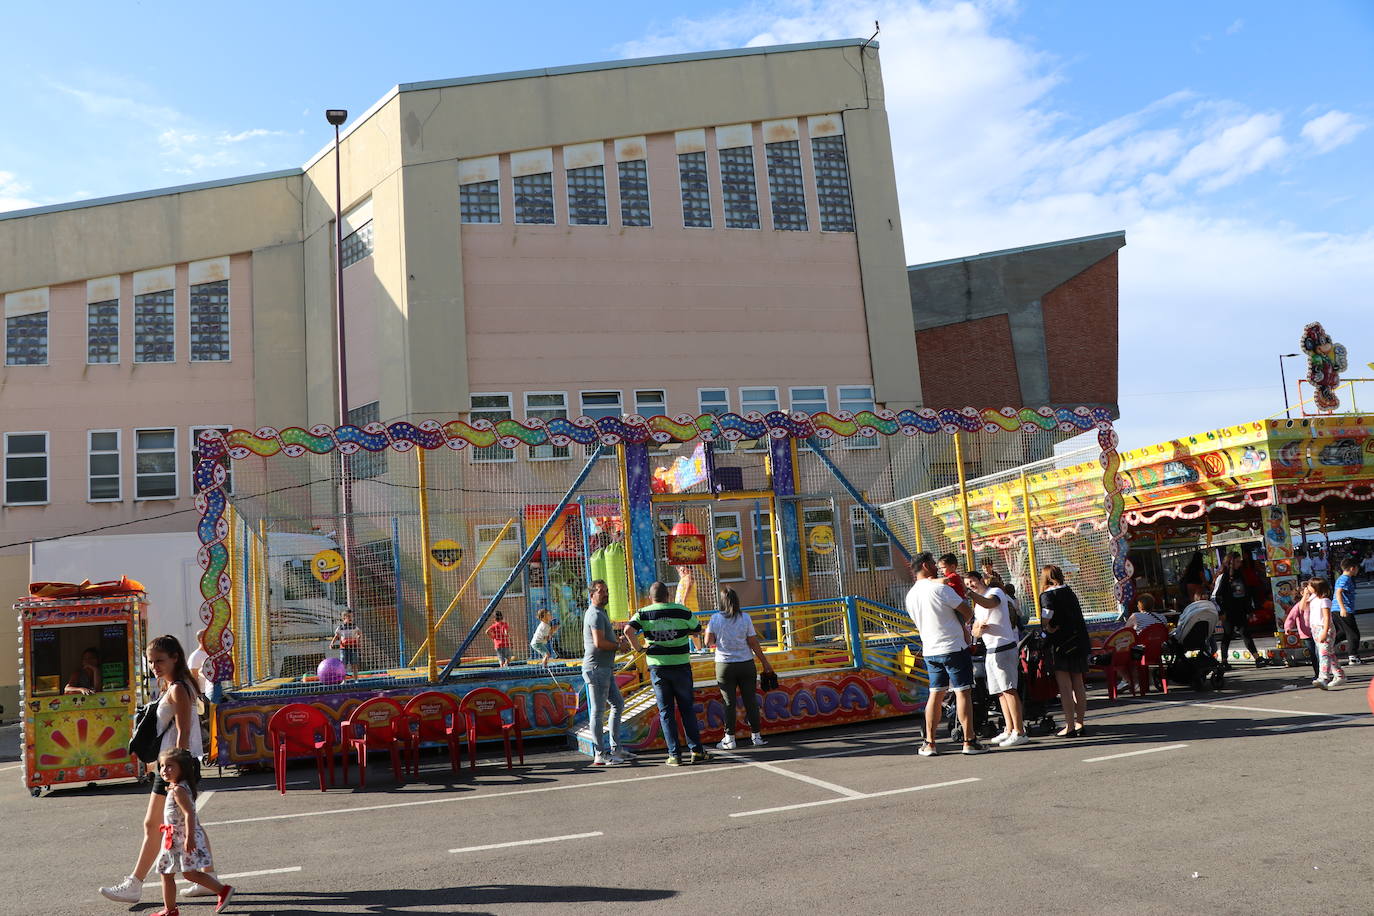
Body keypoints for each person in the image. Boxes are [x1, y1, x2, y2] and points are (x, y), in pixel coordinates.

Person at [101, 635, 216, 905]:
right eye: (151, 662)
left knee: (153, 824)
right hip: (175, 765)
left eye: (160, 661)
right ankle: (211, 877)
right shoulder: (174, 685)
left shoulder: (177, 687)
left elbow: (185, 731)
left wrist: (173, 769)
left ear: (175, 657)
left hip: (176, 766)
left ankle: (134, 884)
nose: (155, 666)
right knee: (185, 823)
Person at [906, 552, 986, 756]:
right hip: (953, 647)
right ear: (925, 565)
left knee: (935, 693)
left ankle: (929, 743)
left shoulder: (911, 595)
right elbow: (967, 612)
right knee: (963, 692)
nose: (936, 566)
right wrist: (963, 625)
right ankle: (969, 740)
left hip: (930, 649)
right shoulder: (940, 588)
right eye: (933, 563)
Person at [623, 581, 708, 766]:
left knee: (666, 712)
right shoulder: (682, 610)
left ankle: (674, 755)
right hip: (681, 667)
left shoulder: (643, 613)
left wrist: (639, 648)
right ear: (668, 595)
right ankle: (696, 751)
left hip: (658, 668)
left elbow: (627, 630)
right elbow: (697, 629)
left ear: (650, 597)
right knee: (687, 709)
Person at [151, 747, 234, 915]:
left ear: (182, 768)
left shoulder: (178, 790)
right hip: (173, 839)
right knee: (169, 874)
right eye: (161, 766)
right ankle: (170, 909)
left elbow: (189, 814)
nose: (164, 770)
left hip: (180, 839)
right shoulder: (177, 787)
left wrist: (189, 838)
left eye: (169, 766)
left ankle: (222, 890)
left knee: (186, 874)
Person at [964, 571, 1027, 748]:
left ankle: (1020, 731)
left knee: (1009, 690)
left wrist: (969, 594)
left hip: (1004, 647)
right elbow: (975, 630)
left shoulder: (995, 592)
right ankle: (1009, 728)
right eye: (967, 584)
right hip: (990, 650)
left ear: (980, 580)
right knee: (999, 692)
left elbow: (990, 603)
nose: (971, 585)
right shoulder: (977, 605)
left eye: (972, 582)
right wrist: (978, 629)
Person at [707, 587, 775, 750]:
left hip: (724, 665)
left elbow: (708, 642)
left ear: (721, 602)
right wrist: (765, 663)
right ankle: (756, 736)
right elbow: (753, 642)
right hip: (746, 663)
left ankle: (729, 739)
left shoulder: (715, 618)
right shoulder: (745, 618)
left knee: (728, 703)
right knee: (750, 700)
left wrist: (710, 632)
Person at [582, 579, 635, 766]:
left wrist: (617, 641)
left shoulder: (601, 612)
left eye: (606, 590)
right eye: (601, 591)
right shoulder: (595, 614)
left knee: (618, 704)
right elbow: (599, 643)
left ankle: (615, 748)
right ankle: (600, 753)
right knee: (597, 712)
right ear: (592, 595)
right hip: (596, 669)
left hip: (604, 669)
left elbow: (605, 639)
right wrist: (618, 646)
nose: (605, 594)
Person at [1040, 564, 1090, 737]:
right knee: (1079, 684)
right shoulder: (1069, 591)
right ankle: (1080, 723)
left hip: (1061, 644)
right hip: (1079, 641)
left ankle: (1069, 725)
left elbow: (1047, 614)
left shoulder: (1048, 594)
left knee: (1065, 687)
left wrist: (1045, 626)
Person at [1211, 552, 1268, 669]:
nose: (1240, 563)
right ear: (1231, 562)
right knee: (1227, 635)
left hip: (1240, 610)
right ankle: (1224, 661)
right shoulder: (1223, 576)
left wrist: (1249, 610)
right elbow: (1216, 596)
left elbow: (1245, 593)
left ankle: (1257, 658)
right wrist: (1221, 611)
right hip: (1228, 611)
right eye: (1237, 561)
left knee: (1245, 633)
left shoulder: (1240, 575)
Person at [1308, 578, 1347, 689]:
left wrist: (1325, 632)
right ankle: (1340, 675)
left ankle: (1323, 678)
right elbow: (1302, 607)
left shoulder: (1324, 600)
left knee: (1323, 654)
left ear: (1316, 588)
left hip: (1325, 628)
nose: (1307, 587)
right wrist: (1306, 595)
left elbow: (1327, 617)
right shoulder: (1312, 598)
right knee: (1329, 653)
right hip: (1315, 629)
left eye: (1310, 585)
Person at [1283, 584, 1319, 680]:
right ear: (1302, 593)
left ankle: (1323, 672)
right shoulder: (1299, 605)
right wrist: (1288, 627)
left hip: (1318, 631)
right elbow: (1291, 617)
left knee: (1320, 653)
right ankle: (1318, 673)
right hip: (1307, 633)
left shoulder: (1316, 602)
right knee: (1313, 654)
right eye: (1308, 592)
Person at [1332, 559, 1362, 666]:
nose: (1358, 570)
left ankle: (1327, 647)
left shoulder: (1343, 578)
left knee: (1343, 633)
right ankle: (1353, 657)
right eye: (1357, 568)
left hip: (1337, 609)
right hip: (1343, 610)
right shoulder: (1345, 579)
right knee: (1354, 634)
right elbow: (1339, 592)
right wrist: (1343, 608)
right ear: (1352, 568)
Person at [329, 611, 362, 679]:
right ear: (344, 618)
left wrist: (358, 638)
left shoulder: (354, 627)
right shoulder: (340, 627)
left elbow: (359, 633)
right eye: (349, 616)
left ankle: (356, 679)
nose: (351, 618)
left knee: (354, 664)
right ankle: (343, 680)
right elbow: (336, 636)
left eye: (351, 617)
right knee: (344, 664)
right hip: (344, 648)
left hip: (353, 647)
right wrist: (332, 643)